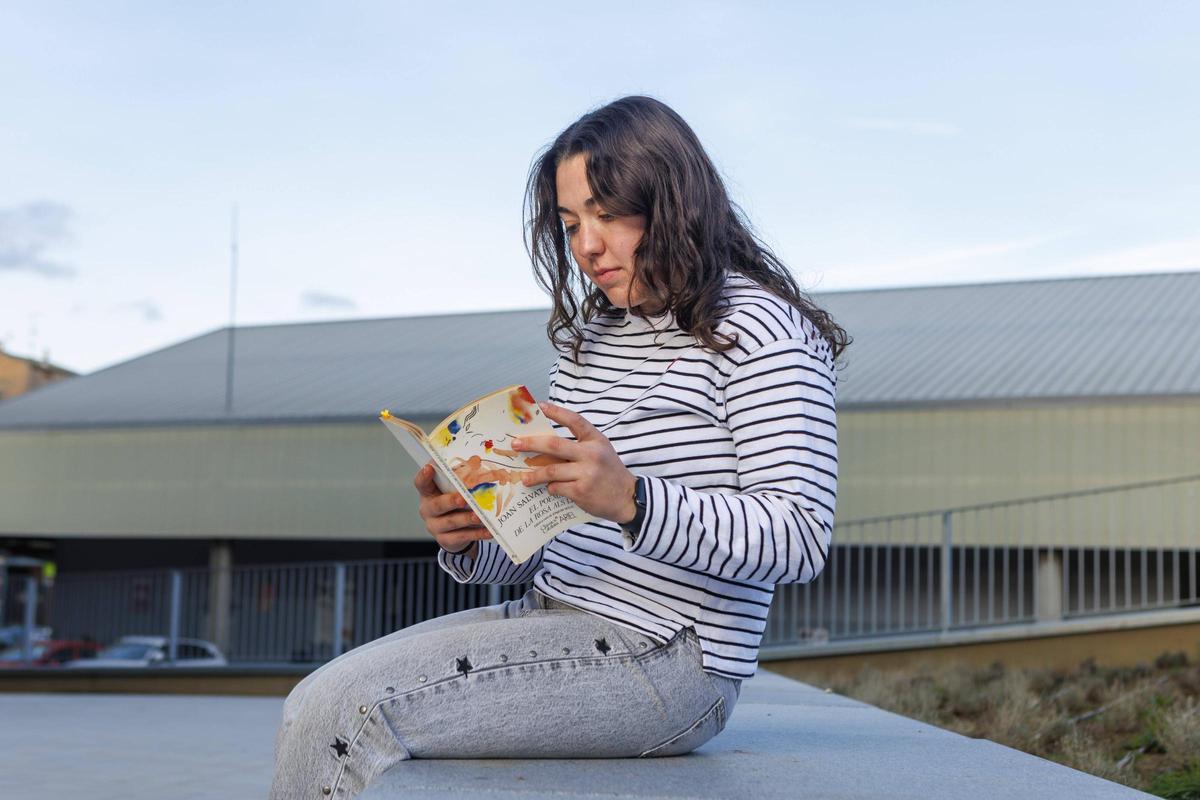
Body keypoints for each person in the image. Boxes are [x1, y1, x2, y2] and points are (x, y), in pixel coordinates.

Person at [270, 95, 849, 799]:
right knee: (312, 700)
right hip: (551, 617)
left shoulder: (760, 331)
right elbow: (553, 536)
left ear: (675, 204)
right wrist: (475, 534)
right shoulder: (590, 343)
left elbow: (799, 539)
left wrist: (632, 501)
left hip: (670, 659)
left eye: (608, 214)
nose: (586, 246)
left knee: (343, 711)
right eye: (571, 222)